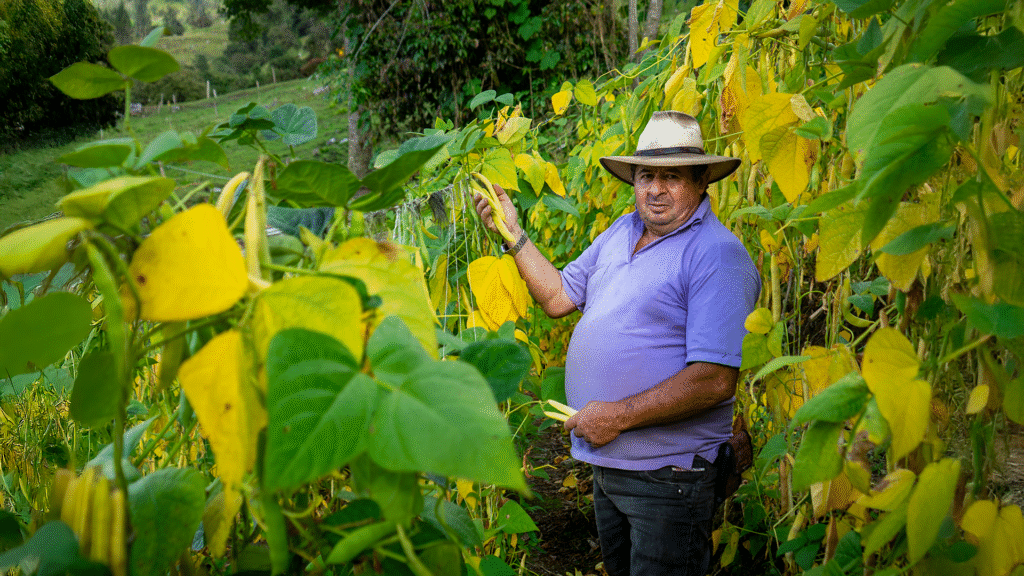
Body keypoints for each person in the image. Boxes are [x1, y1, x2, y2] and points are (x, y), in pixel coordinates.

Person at [473, 111, 760, 576]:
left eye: (672, 177)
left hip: (671, 477)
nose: (655, 189)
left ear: (703, 180)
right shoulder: (620, 232)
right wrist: (512, 233)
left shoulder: (717, 254)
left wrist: (617, 416)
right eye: (647, 175)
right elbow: (558, 296)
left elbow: (714, 381)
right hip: (611, 468)